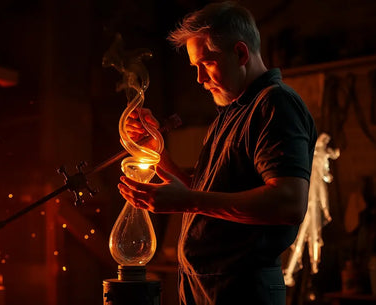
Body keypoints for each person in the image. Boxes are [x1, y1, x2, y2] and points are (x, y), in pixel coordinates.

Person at [117, 2, 318, 305]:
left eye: (207, 63)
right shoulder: (232, 112)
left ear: (240, 53)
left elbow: (288, 202)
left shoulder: (275, 105)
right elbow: (201, 189)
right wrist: (157, 152)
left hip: (242, 290)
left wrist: (186, 201)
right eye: (194, 67)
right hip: (205, 286)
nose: (199, 78)